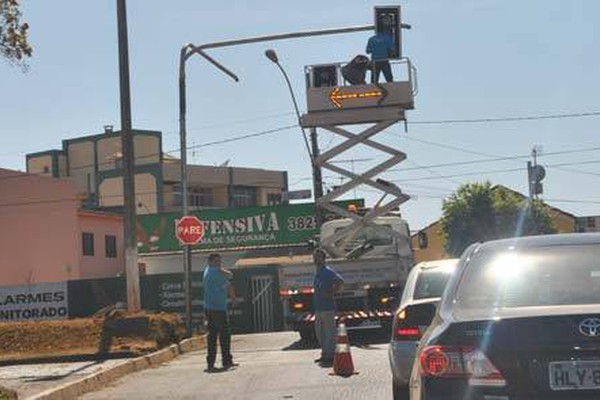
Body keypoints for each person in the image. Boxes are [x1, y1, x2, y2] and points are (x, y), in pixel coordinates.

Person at [203, 253, 237, 372]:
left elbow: (227, 274)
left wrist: (221, 270)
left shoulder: (208, 270)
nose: (219, 264)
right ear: (210, 262)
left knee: (212, 336)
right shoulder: (215, 274)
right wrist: (233, 299)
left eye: (219, 261)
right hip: (218, 309)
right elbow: (229, 283)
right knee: (224, 336)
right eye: (216, 262)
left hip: (209, 308)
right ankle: (226, 361)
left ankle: (210, 363)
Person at [312, 248, 344, 367]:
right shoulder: (317, 272)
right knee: (320, 332)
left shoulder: (327, 271)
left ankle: (330, 355)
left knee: (329, 332)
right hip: (318, 307)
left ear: (323, 259)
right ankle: (324, 353)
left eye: (318, 257)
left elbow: (340, 281)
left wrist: (332, 292)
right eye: (314, 257)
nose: (315, 259)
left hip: (327, 307)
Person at [366, 17, 395, 83]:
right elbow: (392, 50)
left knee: (374, 81)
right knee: (389, 79)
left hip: (375, 62)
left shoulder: (371, 39)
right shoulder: (388, 38)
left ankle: (373, 88)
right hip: (384, 61)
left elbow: (368, 51)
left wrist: (375, 49)